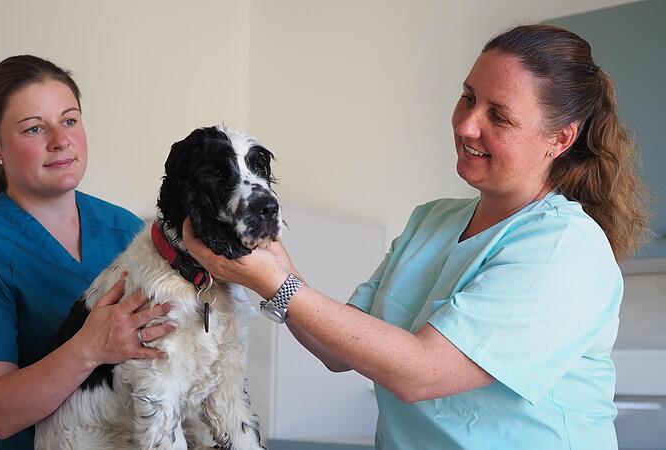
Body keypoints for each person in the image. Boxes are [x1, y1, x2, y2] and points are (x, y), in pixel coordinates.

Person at [182, 24, 649, 449]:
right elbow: (337, 349)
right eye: (468, 98)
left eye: (499, 116)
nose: (467, 125)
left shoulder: (564, 249)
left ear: (560, 140)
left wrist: (273, 283)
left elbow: (421, 373)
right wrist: (271, 261)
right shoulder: (432, 222)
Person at [0, 55, 174, 449]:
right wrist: (90, 347)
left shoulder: (128, 230)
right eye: (34, 128)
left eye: (69, 120)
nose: (60, 140)